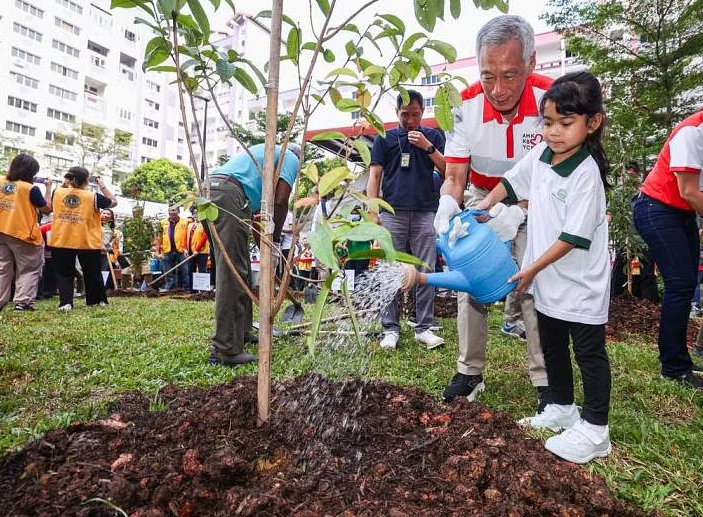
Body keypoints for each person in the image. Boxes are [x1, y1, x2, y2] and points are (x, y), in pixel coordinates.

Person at [477, 71, 612, 463]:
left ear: (592, 123)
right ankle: (561, 406)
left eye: (565, 124)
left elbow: (572, 238)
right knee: (551, 343)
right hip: (547, 277)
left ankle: (596, 428)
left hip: (579, 281)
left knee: (588, 351)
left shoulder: (587, 175)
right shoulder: (542, 155)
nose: (554, 132)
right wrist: (485, 205)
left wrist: (531, 267)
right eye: (548, 122)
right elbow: (512, 182)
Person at [433, 15, 553, 409]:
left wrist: (520, 209)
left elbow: (557, 174)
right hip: (481, 194)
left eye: (510, 75)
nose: (498, 90)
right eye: (488, 75)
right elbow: (454, 174)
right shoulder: (464, 105)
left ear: (531, 65)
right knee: (472, 281)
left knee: (533, 279)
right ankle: (469, 371)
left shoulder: (552, 100)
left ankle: (546, 377)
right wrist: (447, 205)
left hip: (537, 199)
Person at [206, 142, 300, 366]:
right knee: (232, 271)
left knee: (241, 266)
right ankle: (225, 349)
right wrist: (275, 240)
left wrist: (266, 248)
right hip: (229, 194)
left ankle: (243, 331)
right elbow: (279, 201)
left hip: (213, 190)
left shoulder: (262, 162)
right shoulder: (290, 156)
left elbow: (260, 217)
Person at [367, 89, 446, 351]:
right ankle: (390, 328)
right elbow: (374, 176)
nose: (410, 120)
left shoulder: (433, 136)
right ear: (397, 113)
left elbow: (448, 169)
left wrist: (427, 146)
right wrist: (372, 210)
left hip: (425, 211)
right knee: (390, 270)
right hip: (392, 213)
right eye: (405, 114)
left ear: (423, 112)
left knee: (426, 270)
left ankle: (424, 326)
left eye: (415, 114)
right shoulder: (384, 138)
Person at [632, 108, 703, 390]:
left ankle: (678, 358)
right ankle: (673, 367)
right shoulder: (691, 131)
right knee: (680, 283)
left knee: (686, 283)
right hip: (656, 208)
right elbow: (687, 190)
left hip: (682, 212)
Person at [49, 166, 117, 310]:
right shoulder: (92, 196)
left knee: (64, 273)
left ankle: (66, 302)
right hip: (86, 240)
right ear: (86, 180)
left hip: (61, 238)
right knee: (92, 272)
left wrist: (66, 183)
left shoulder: (57, 192)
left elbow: (50, 206)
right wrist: (102, 185)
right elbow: (113, 202)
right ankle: (97, 300)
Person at [0, 154, 52, 311]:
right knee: (29, 268)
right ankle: (23, 302)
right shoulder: (30, 189)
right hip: (22, 233)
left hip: (1, 231)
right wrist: (48, 188)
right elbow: (47, 209)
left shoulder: (1, 181)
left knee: (3, 268)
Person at [608, 162, 659, 302]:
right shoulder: (618, 194)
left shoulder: (645, 193)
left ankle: (650, 305)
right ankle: (616, 302)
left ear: (638, 176)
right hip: (625, 241)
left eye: (632, 175)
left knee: (647, 275)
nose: (630, 179)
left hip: (644, 241)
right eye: (626, 175)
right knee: (619, 274)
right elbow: (609, 213)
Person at [156, 207, 191, 291]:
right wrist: (158, 251)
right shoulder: (162, 223)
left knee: (185, 270)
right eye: (171, 210)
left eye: (174, 210)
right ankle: (170, 289)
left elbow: (189, 236)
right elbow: (158, 238)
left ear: (178, 212)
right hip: (167, 250)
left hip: (182, 250)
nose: (172, 212)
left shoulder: (186, 222)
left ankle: (186, 289)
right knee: (168, 271)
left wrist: (187, 248)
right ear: (168, 212)